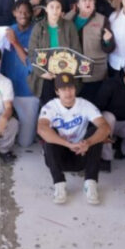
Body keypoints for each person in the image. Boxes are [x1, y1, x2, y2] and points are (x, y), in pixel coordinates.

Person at [37, 73, 110, 205]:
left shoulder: (85, 104)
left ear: (75, 89)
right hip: (59, 158)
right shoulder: (50, 106)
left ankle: (90, 183)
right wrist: (67, 144)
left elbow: (105, 127)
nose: (68, 93)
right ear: (57, 91)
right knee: (49, 136)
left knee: (96, 133)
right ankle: (59, 184)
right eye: (63, 89)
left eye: (70, 88)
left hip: (81, 154)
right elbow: (41, 129)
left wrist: (88, 142)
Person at [27, 0, 82, 106]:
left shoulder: (69, 26)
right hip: (45, 76)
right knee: (48, 107)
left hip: (65, 74)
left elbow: (77, 51)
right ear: (46, 9)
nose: (55, 10)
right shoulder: (38, 27)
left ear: (61, 9)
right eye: (51, 7)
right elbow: (32, 54)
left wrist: (67, 70)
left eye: (58, 7)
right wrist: (42, 73)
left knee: (65, 107)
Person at [64, 0, 115, 102]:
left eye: (90, 0)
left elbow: (110, 48)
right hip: (72, 71)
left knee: (92, 104)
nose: (88, 2)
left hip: (94, 72)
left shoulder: (102, 20)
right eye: (84, 0)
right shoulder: (67, 19)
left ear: (94, 2)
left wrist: (107, 41)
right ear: (78, 4)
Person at [2, 0, 38, 147]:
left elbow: (30, 63)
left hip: (27, 91)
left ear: (31, 13)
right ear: (14, 13)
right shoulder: (6, 31)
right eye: (19, 11)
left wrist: (15, 42)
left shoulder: (38, 32)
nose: (23, 15)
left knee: (25, 142)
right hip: (7, 90)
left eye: (26, 12)